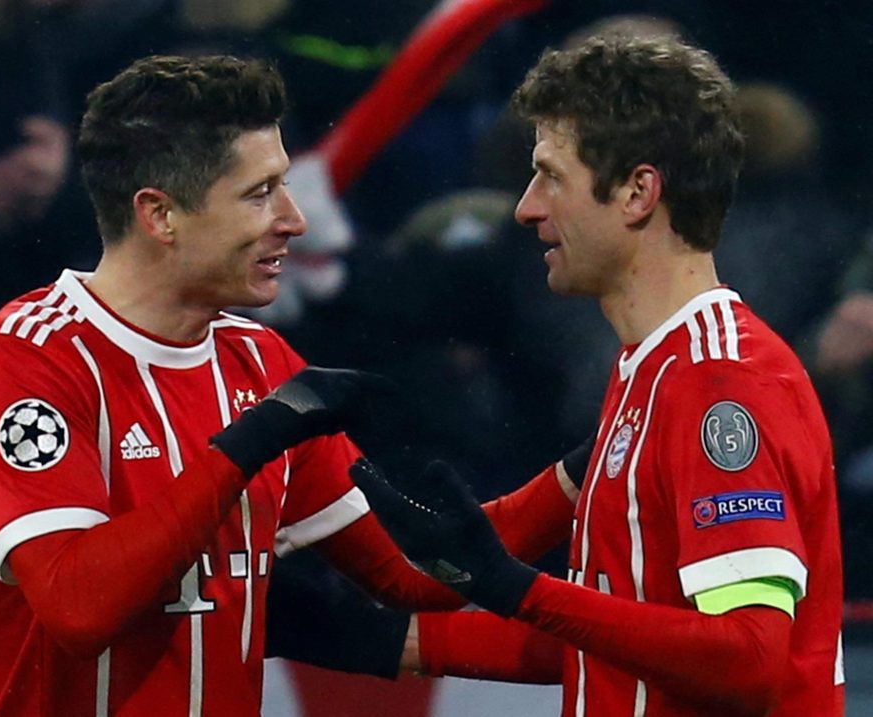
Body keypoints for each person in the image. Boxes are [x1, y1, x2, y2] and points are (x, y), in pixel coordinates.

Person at [0, 54, 588, 717]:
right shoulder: (24, 362)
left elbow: (411, 569)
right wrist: (243, 449)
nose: (294, 219)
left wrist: (585, 471)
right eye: (261, 192)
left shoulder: (259, 361)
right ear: (161, 215)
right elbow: (78, 606)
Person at [352, 34, 845, 716]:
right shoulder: (651, 369)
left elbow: (750, 657)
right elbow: (618, 643)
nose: (526, 206)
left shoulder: (722, 382)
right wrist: (359, 638)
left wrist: (526, 589)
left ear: (639, 192)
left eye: (551, 175)